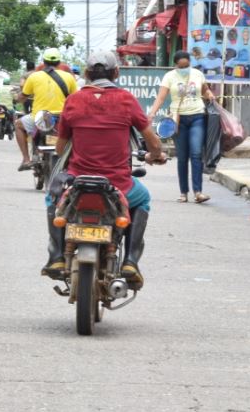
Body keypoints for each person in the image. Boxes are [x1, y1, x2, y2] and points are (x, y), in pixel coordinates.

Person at [45, 50, 168, 287]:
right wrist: (155, 155)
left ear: (88, 74)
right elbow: (152, 140)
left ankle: (58, 257)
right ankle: (131, 261)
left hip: (76, 181)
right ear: (116, 73)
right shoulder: (126, 99)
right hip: (118, 184)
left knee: (52, 200)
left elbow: (60, 149)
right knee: (142, 200)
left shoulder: (74, 100)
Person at [148, 50, 215, 203]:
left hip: (197, 116)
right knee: (182, 157)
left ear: (190, 63)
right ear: (176, 65)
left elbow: (205, 90)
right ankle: (183, 192)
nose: (184, 68)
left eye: (187, 65)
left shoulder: (197, 74)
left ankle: (198, 192)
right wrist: (152, 113)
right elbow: (161, 97)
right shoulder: (169, 77)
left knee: (197, 153)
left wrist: (210, 95)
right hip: (178, 120)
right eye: (181, 66)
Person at [15, 48, 78, 171]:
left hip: (41, 119)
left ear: (43, 62)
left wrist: (17, 98)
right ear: (59, 63)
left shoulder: (34, 77)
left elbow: (23, 96)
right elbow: (75, 98)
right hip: (62, 119)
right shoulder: (69, 77)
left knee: (18, 125)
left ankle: (26, 159)